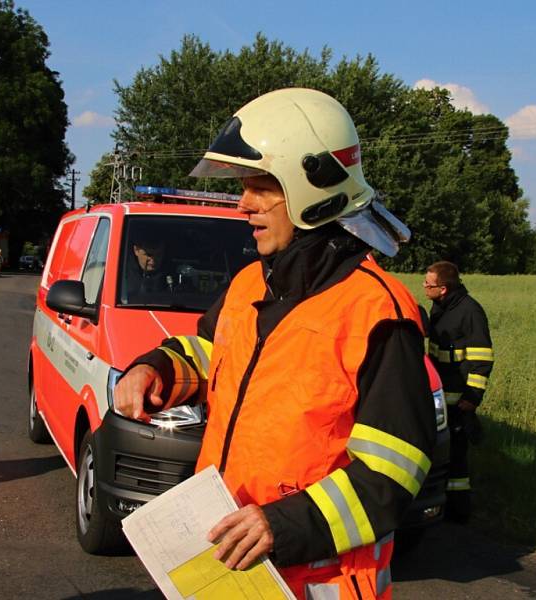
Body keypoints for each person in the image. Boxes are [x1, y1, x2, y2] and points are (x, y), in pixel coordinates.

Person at [115, 88, 435, 599]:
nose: (243, 204)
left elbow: (391, 476)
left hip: (315, 579)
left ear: (314, 186)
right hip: (232, 564)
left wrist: (281, 526)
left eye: (262, 187)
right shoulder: (250, 284)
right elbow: (214, 355)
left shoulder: (379, 313)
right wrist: (157, 369)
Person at [423, 261, 494, 522]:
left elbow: (482, 358)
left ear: (443, 288)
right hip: (441, 395)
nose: (424, 288)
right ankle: (442, 507)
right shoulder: (440, 308)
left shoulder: (470, 311)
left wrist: (472, 398)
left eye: (428, 284)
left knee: (457, 460)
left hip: (460, 399)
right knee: (443, 454)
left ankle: (459, 513)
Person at [124, 234, 170, 299]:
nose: (153, 260)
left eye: (158, 254)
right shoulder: (121, 272)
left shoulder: (172, 272)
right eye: (149, 255)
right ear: (136, 250)